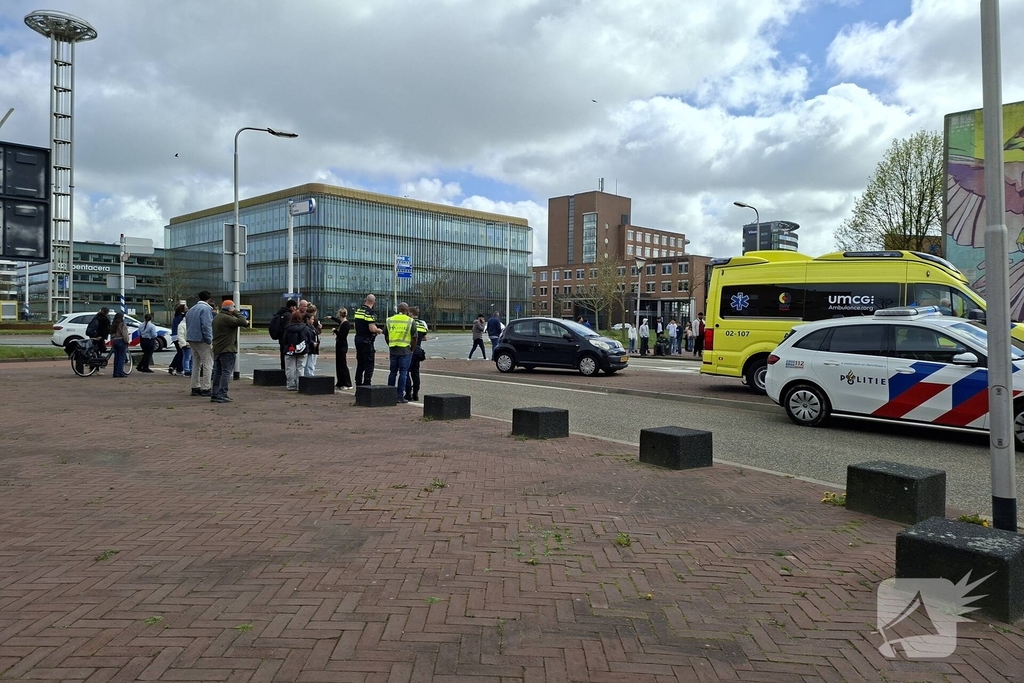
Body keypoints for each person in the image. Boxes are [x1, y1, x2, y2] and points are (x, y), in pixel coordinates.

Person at [210, 299, 249, 403]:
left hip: (218, 348)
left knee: (218, 372)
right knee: (226, 372)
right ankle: (222, 394)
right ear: (230, 308)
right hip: (227, 349)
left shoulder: (217, 317)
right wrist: (236, 312)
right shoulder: (227, 318)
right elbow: (243, 322)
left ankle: (215, 394)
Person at [385, 302, 417, 403]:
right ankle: (400, 396)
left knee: (392, 373)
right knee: (403, 373)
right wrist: (412, 349)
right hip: (405, 350)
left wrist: (390, 344)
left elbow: (386, 335)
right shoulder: (410, 321)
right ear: (407, 310)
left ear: (398, 310)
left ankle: (389, 395)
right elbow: (414, 338)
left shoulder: (389, 320)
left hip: (393, 349)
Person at [185, 290, 215, 397]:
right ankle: (206, 387)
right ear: (209, 299)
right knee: (208, 364)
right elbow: (206, 326)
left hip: (192, 339)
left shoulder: (191, 309)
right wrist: (209, 340)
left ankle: (195, 387)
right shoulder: (206, 309)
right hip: (202, 340)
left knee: (196, 364)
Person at [353, 294, 384, 386]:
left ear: (365, 300)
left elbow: (355, 325)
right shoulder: (370, 312)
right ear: (374, 302)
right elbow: (372, 328)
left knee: (360, 363)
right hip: (367, 340)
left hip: (358, 338)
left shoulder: (358, 311)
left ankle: (358, 384)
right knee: (369, 364)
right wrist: (379, 330)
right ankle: (367, 385)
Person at [282, 311, 313, 391]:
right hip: (302, 350)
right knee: (301, 368)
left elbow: (284, 340)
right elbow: (309, 339)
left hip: (290, 350)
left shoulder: (288, 328)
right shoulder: (305, 328)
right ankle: (300, 385)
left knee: (290, 369)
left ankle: (291, 385)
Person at [405, 305, 428, 402]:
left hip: (409, 349)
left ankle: (408, 393)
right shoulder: (422, 324)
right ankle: (416, 393)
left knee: (406, 371)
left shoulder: (409, 322)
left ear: (411, 313)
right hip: (418, 349)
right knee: (415, 372)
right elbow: (425, 338)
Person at [327, 307, 352, 390]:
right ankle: (340, 382)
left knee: (343, 365)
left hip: (342, 346)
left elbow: (342, 336)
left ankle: (347, 383)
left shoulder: (345, 324)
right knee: (339, 364)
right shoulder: (343, 322)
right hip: (340, 345)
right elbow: (338, 321)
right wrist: (331, 317)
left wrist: (335, 331)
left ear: (340, 314)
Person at [270, 299, 298, 371]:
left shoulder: (280, 313)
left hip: (281, 338)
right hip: (286, 340)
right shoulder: (289, 316)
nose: (295, 308)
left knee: (282, 357)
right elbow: (288, 328)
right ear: (291, 307)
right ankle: (286, 373)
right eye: (295, 307)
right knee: (287, 359)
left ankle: (283, 371)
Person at [168, 304, 188, 375]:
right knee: (181, 353)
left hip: (174, 336)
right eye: (186, 308)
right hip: (179, 335)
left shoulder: (176, 317)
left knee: (180, 352)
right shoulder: (182, 317)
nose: (187, 309)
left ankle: (177, 367)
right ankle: (174, 366)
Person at [303, 304, 322, 377]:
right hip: (310, 348)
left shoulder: (312, 326)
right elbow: (307, 337)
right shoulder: (306, 327)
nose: (313, 320)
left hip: (314, 348)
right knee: (309, 365)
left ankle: (310, 376)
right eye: (312, 319)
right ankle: (309, 377)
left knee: (311, 364)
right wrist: (312, 342)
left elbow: (316, 333)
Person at [110, 312, 131, 378]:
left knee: (117, 357)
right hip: (121, 340)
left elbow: (112, 334)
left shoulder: (113, 325)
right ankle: (119, 372)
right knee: (122, 357)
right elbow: (125, 334)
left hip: (115, 341)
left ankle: (115, 372)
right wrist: (127, 341)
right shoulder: (122, 325)